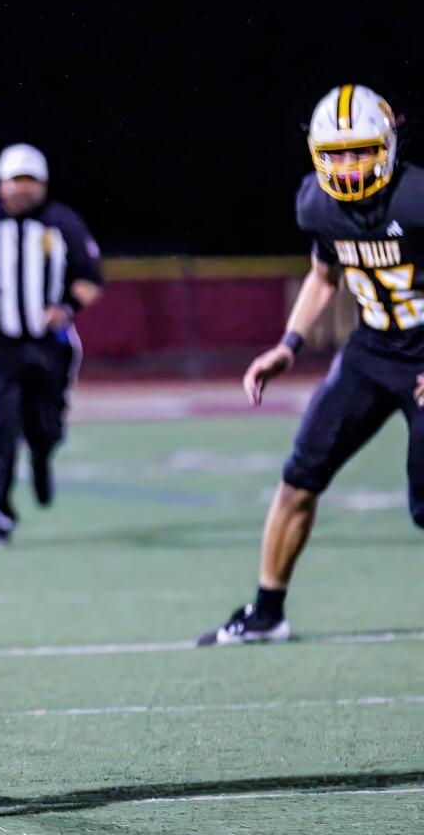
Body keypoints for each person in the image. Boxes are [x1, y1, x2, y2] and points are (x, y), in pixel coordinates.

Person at [198, 84, 424, 646]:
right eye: (336, 154)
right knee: (299, 479)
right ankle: (267, 612)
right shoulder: (318, 204)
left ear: (390, 145)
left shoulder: (417, 198)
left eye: (361, 151)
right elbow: (325, 277)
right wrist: (289, 344)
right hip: (372, 352)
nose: (348, 167)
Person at [0, 144, 103, 550]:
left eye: (29, 181)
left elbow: (91, 279)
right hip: (0, 343)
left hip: (49, 346)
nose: (20, 189)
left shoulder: (62, 224)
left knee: (46, 428)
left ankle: (41, 459)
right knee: (0, 428)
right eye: (14, 180)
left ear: (43, 185)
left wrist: (66, 308)